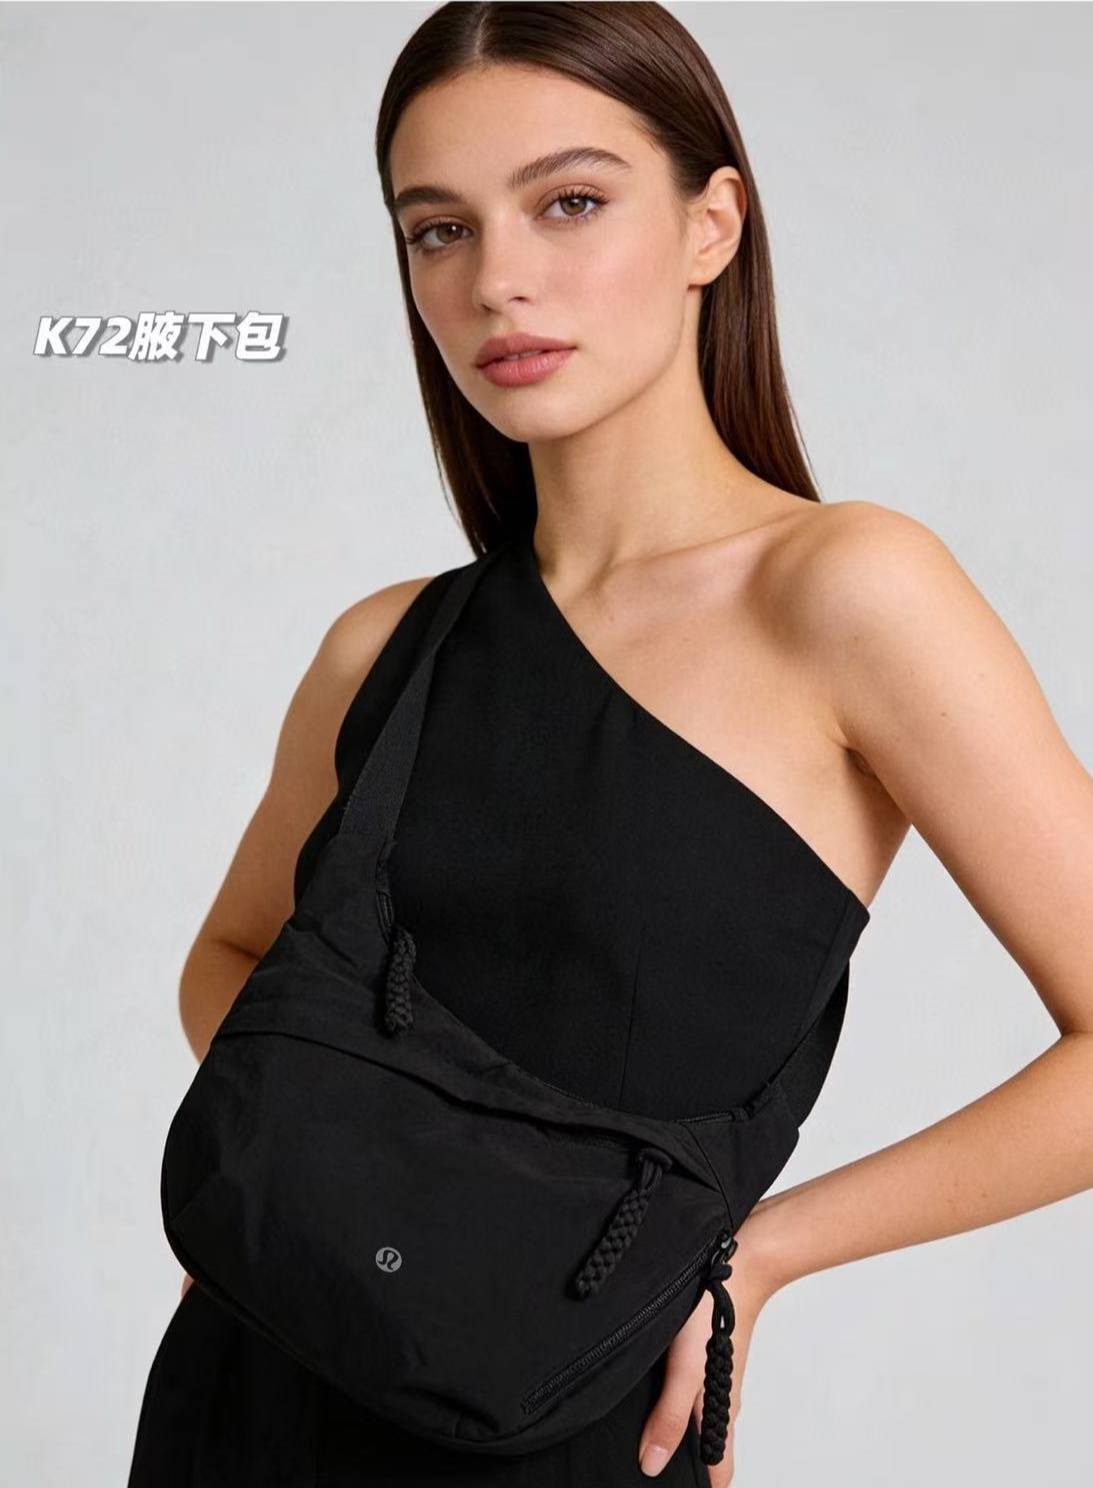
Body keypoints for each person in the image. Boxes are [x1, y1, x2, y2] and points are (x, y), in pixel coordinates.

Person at [127, 5, 1093, 1486]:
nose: (496, 280)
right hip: (253, 1390)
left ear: (712, 224)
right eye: (438, 230)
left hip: (573, 1421)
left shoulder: (845, 591)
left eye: (568, 203)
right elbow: (233, 954)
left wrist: (760, 1255)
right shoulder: (386, 648)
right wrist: (313, 1186)